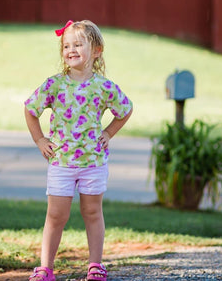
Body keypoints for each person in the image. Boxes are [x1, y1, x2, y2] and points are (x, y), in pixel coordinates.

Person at [24, 20, 133, 281]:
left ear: (96, 50)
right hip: (61, 162)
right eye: (66, 46)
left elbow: (126, 109)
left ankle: (95, 266)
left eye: (78, 44)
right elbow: (30, 110)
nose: (71, 50)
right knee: (55, 215)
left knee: (93, 212)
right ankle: (45, 268)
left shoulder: (104, 86)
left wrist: (108, 133)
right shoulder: (54, 85)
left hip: (93, 163)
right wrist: (40, 140)